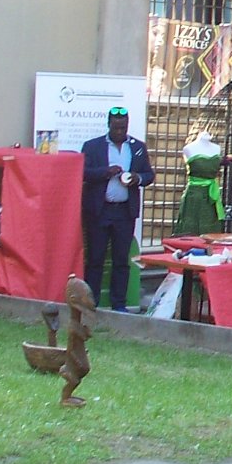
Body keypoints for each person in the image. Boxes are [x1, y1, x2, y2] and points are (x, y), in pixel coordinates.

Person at [80, 106, 155, 312]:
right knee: (95, 258)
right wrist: (106, 172)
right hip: (100, 211)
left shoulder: (137, 147)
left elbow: (149, 175)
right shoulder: (93, 146)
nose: (120, 132)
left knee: (121, 260)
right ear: (109, 125)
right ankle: (90, 302)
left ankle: (119, 304)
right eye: (116, 128)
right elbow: (83, 172)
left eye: (123, 128)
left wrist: (137, 178)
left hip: (124, 212)